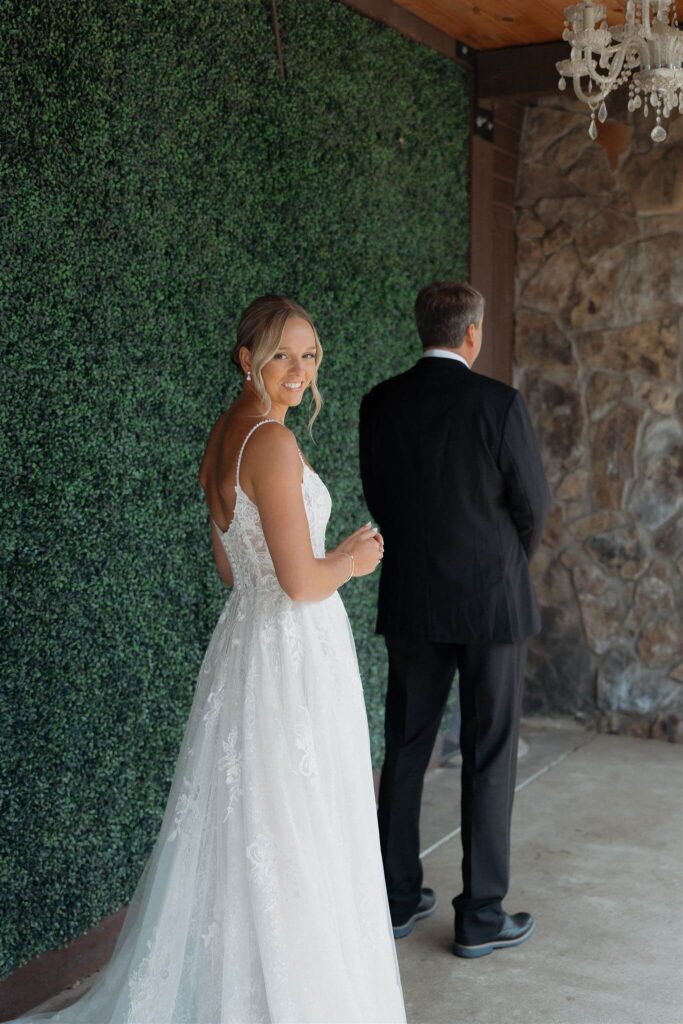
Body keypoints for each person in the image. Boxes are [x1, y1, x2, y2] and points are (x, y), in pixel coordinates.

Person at [18, 294, 405, 1023]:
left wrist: (315, 563)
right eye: (283, 354)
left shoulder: (225, 435)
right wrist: (350, 560)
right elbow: (297, 583)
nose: (299, 370)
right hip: (290, 656)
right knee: (296, 822)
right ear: (246, 358)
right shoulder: (273, 443)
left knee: (254, 820)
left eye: (310, 355)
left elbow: (234, 572)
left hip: (246, 647)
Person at [359, 280, 550, 959]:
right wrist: (498, 566)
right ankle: (480, 917)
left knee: (407, 748)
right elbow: (533, 504)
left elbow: (377, 493)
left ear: (422, 329)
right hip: (491, 608)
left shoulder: (379, 402)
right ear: (471, 334)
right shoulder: (497, 403)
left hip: (413, 601)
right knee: (488, 754)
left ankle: (395, 899)